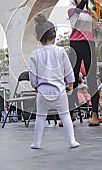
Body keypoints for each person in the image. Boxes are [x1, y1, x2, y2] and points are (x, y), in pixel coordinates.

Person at [29, 14, 79, 149]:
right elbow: (68, 70)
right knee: (65, 115)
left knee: (40, 117)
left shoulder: (35, 54)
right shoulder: (60, 51)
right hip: (59, 90)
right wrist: (70, 85)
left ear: (38, 37)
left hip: (43, 91)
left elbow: (32, 75)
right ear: (55, 34)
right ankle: (72, 141)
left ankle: (37, 143)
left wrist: (35, 86)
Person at [67, 0, 101, 126]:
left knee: (91, 78)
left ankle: (94, 113)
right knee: (73, 79)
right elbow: (75, 22)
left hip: (89, 45)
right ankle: (71, 112)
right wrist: (85, 0)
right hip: (75, 45)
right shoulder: (73, 11)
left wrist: (98, 29)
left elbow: (95, 34)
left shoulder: (92, 14)